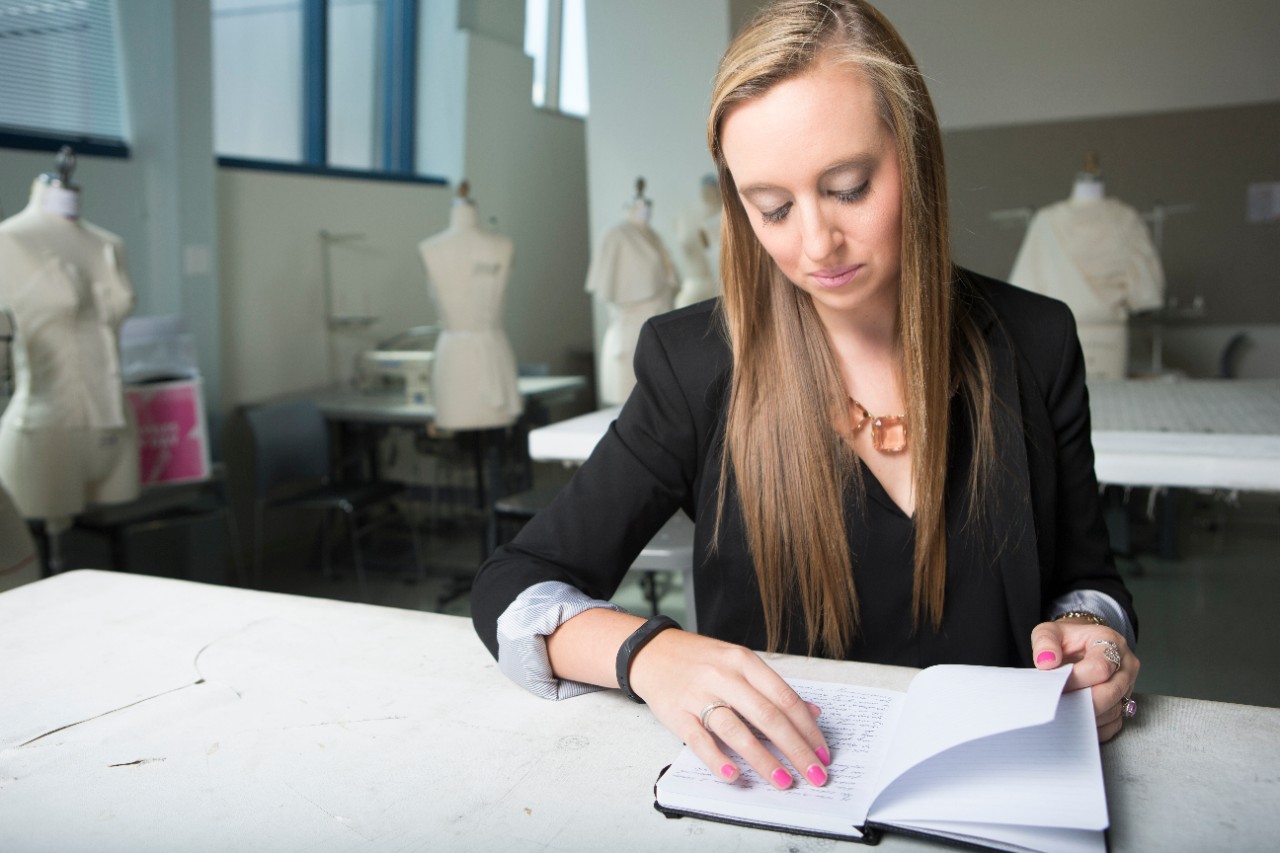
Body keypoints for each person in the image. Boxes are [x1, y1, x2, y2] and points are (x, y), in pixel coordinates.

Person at [472, 0, 1139, 792]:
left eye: (850, 188)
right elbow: (513, 590)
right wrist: (649, 652)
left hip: (994, 795)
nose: (816, 244)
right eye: (774, 208)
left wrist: (1094, 638)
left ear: (916, 156)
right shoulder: (695, 366)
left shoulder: (1036, 342)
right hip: (786, 800)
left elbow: (1089, 579)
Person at [0, 171, 139, 534]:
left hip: (116, 425)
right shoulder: (8, 240)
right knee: (47, 561)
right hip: (45, 430)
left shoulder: (110, 245)